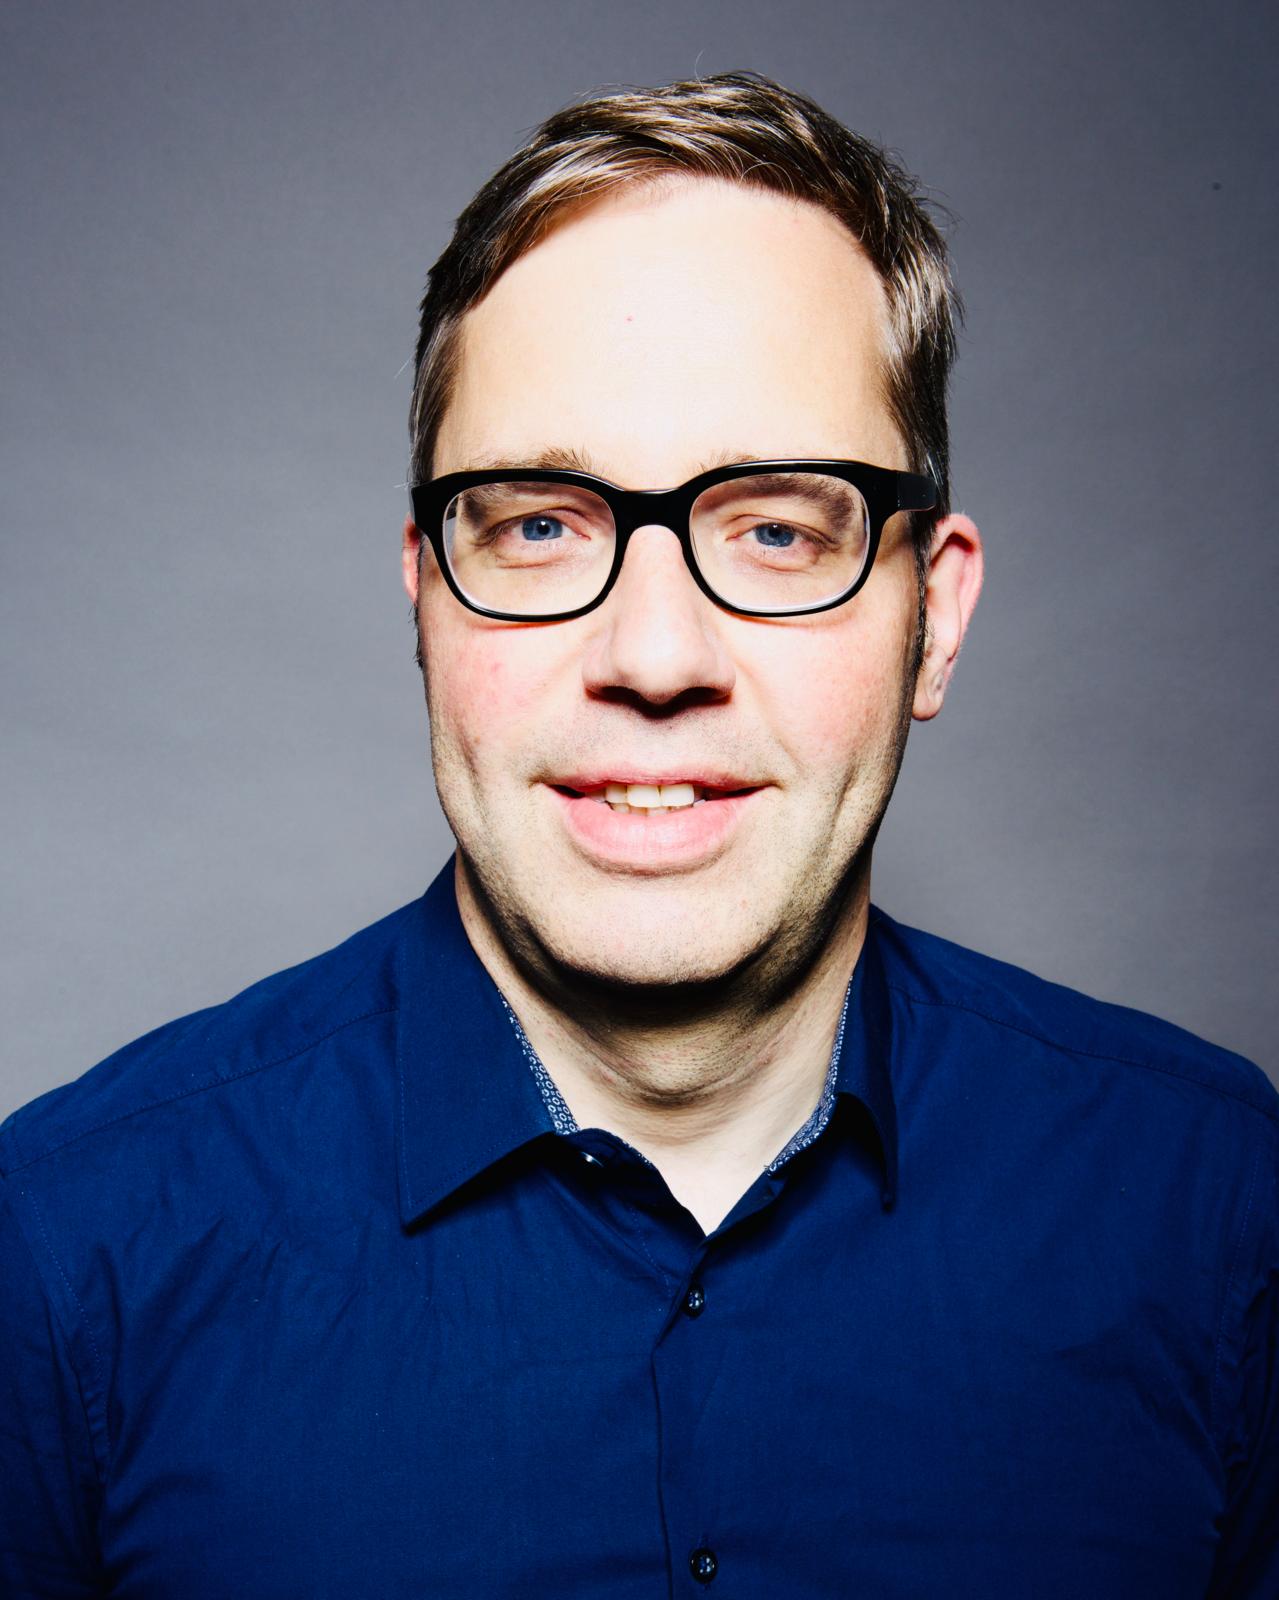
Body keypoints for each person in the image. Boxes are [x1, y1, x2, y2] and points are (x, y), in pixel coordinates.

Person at [1, 69, 1274, 1598]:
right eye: (540, 525)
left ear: (934, 619)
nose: (656, 656)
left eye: (780, 528)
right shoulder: (61, 1256)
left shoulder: (1224, 1212)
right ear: (424, 597)